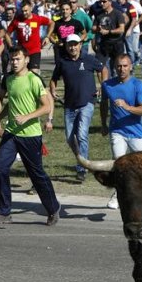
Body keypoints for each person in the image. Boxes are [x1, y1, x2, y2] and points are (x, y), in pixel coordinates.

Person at [0, 46, 60, 225]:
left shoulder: (34, 80)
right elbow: (11, 104)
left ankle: (53, 208)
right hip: (11, 133)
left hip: (31, 135)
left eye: (18, 59)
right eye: (12, 59)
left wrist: (27, 117)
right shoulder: (8, 79)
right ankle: (3, 212)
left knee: (36, 174)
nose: (14, 62)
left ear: (27, 60)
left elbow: (46, 106)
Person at [49, 34, 108, 181]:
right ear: (67, 46)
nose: (73, 47)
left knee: (81, 134)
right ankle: (81, 159)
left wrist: (103, 85)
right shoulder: (63, 62)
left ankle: (82, 168)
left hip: (87, 102)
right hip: (69, 104)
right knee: (70, 138)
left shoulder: (88, 59)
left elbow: (103, 69)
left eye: (75, 44)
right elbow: (54, 78)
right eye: (70, 45)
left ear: (80, 45)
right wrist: (53, 90)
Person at [100, 54, 142, 209]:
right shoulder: (107, 85)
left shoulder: (138, 85)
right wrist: (103, 123)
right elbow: (103, 104)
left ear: (131, 67)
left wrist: (127, 107)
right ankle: (117, 194)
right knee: (119, 163)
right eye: (119, 66)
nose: (122, 69)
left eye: (125, 66)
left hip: (136, 132)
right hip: (117, 131)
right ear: (115, 67)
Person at [5, 2, 55, 73]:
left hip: (34, 51)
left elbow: (52, 23)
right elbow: (7, 33)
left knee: (34, 73)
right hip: (21, 52)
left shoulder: (37, 18)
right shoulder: (17, 20)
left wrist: (47, 36)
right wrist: (10, 46)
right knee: (20, 73)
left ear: (31, 9)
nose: (24, 13)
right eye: (22, 11)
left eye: (26, 11)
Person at [92, 0, 126, 77]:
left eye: (104, 1)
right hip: (104, 44)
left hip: (116, 43)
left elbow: (122, 29)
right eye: (101, 2)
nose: (102, 4)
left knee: (117, 68)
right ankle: (104, 86)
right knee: (99, 67)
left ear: (110, 2)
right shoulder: (99, 15)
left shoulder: (117, 13)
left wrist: (108, 32)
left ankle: (117, 87)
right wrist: (98, 29)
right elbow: (93, 28)